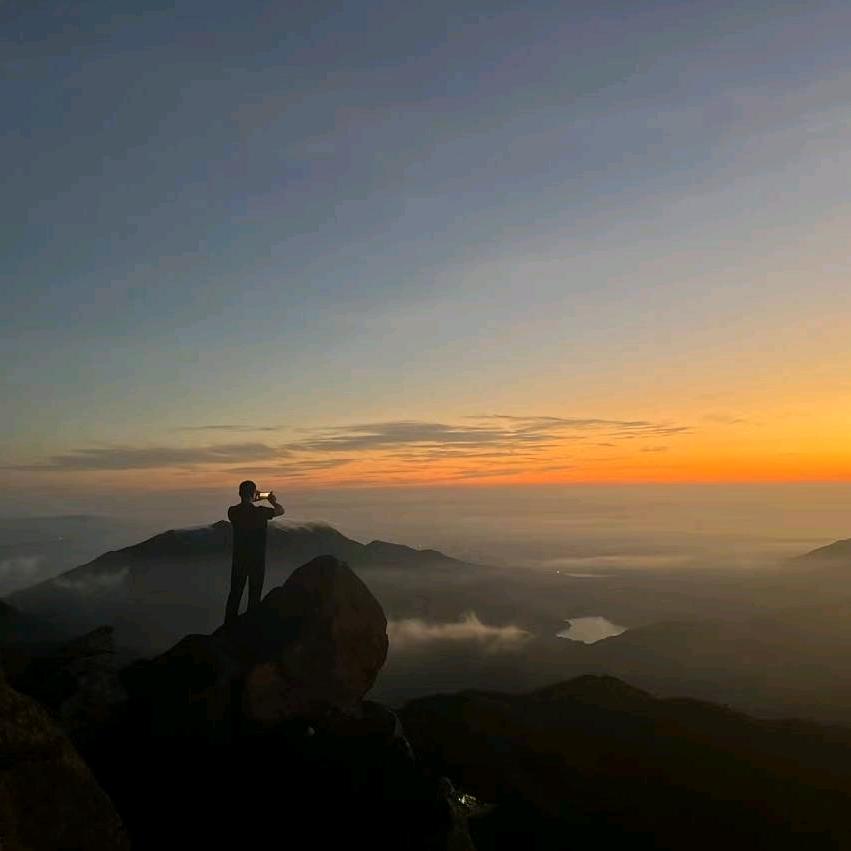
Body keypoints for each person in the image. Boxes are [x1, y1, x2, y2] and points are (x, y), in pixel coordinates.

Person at [224, 480, 284, 625]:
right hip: (257, 560)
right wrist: (272, 501)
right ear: (253, 494)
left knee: (235, 594)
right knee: (254, 595)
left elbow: (243, 507)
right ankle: (251, 628)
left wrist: (250, 499)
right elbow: (281, 510)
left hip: (239, 560)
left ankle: (228, 627)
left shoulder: (232, 511)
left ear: (239, 493)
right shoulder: (261, 512)